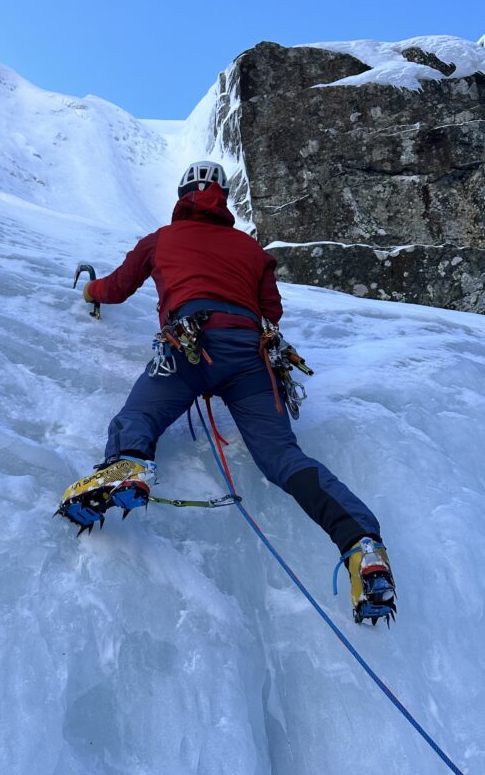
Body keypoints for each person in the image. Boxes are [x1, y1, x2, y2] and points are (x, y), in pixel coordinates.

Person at [57, 161, 396, 625]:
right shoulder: (250, 248)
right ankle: (361, 544)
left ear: (183, 196)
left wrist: (90, 292)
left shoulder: (161, 239)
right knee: (284, 458)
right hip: (251, 358)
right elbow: (269, 310)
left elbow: (117, 287)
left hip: (189, 344)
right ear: (222, 199)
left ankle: (129, 461)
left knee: (142, 413)